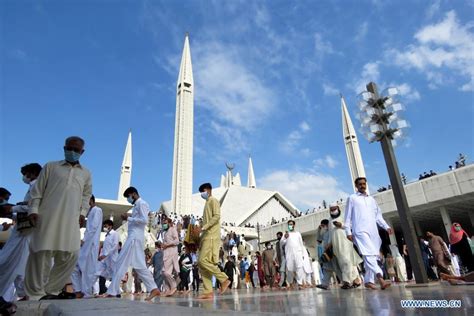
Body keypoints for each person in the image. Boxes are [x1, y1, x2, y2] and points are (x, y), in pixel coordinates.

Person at [25, 137, 93, 300]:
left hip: (71, 218)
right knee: (41, 253)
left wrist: (83, 213)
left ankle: (51, 290)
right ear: (64, 148)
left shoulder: (86, 173)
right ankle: (35, 294)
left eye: (76, 150)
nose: (73, 152)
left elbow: (86, 195)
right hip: (47, 216)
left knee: (71, 254)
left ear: (82, 152)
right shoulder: (51, 166)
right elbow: (37, 191)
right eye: (70, 148)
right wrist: (33, 210)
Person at [104, 187, 160, 300]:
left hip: (134, 238)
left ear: (133, 194)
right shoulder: (137, 205)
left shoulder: (142, 204)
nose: (129, 199)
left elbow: (144, 220)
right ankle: (154, 288)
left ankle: (113, 291)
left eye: (129, 197)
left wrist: (129, 218)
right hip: (133, 237)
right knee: (139, 265)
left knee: (120, 262)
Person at [0, 164, 42, 302]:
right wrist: (13, 214)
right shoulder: (34, 186)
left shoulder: (36, 185)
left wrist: (12, 209)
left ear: (32, 173)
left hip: (24, 233)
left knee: (8, 261)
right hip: (23, 231)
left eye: (26, 174)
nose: (24, 177)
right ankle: (23, 293)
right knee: (19, 265)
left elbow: (33, 206)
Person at [344, 177, 392, 290]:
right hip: (360, 231)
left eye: (364, 184)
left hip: (373, 232)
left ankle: (368, 281)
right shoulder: (352, 198)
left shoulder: (371, 200)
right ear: (356, 186)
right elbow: (347, 217)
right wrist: (348, 231)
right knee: (369, 254)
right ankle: (381, 278)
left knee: (373, 256)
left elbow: (378, 216)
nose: (362, 186)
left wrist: (386, 226)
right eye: (360, 184)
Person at [196, 183, 231, 300]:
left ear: (208, 190)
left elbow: (216, 216)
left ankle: (223, 279)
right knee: (203, 265)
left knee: (202, 260)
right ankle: (208, 291)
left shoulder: (213, 201)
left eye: (203, 191)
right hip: (206, 236)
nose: (202, 193)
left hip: (211, 236)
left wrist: (204, 227)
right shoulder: (206, 203)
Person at [71, 195, 102, 298]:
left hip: (90, 245)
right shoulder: (91, 212)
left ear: (91, 200)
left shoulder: (97, 210)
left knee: (88, 270)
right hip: (86, 245)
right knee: (75, 266)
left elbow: (93, 227)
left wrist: (84, 240)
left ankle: (86, 292)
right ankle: (79, 290)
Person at [328, 203, 362, 289]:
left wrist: (341, 225)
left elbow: (350, 225)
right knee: (345, 262)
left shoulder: (344, 216)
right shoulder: (330, 221)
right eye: (331, 210)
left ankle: (347, 281)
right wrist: (329, 243)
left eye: (334, 209)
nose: (333, 211)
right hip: (336, 244)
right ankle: (356, 280)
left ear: (338, 208)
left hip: (346, 242)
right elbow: (330, 233)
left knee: (346, 261)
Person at [280, 220, 306, 289]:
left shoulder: (298, 233)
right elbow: (281, 243)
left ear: (294, 225)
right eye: (289, 224)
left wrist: (302, 254)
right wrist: (285, 237)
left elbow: (301, 244)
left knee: (299, 268)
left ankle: (300, 284)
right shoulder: (285, 234)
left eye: (291, 224)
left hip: (298, 253)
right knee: (290, 269)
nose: (290, 226)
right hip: (289, 254)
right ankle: (290, 283)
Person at [97, 220, 119, 294]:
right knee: (101, 273)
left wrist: (105, 255)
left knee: (114, 275)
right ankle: (102, 290)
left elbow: (115, 246)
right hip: (104, 259)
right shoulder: (107, 235)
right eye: (104, 226)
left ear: (110, 226)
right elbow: (105, 248)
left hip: (112, 258)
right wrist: (101, 256)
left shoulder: (115, 234)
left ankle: (116, 292)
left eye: (105, 226)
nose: (104, 228)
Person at [161, 217, 180, 297]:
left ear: (169, 223)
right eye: (163, 223)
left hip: (172, 253)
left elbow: (177, 241)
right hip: (166, 253)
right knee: (163, 272)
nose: (164, 225)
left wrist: (167, 245)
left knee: (166, 272)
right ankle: (167, 289)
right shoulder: (165, 233)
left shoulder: (173, 229)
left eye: (165, 223)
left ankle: (173, 286)